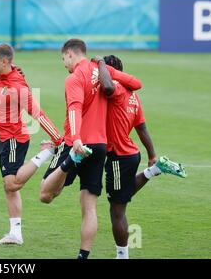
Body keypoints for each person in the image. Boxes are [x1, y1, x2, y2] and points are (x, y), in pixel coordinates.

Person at [39, 39, 143, 259]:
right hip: (99, 146)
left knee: (46, 194)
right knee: (89, 207)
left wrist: (76, 140)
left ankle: (69, 162)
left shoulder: (74, 77)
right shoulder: (102, 69)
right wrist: (106, 67)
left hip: (76, 144)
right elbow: (136, 83)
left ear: (69, 54)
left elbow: (75, 108)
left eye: (63, 59)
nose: (64, 64)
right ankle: (83, 256)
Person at [95, 54, 187, 259]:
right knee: (122, 196)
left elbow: (107, 87)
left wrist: (101, 64)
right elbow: (142, 128)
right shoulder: (133, 96)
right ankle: (155, 169)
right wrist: (152, 154)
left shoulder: (116, 89)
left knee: (116, 210)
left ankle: (122, 256)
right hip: (131, 154)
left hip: (118, 155)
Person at [0, 44, 63, 245]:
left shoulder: (18, 88)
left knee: (11, 183)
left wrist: (58, 139)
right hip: (4, 139)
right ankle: (15, 234)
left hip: (14, 138)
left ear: (4, 62)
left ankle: (47, 152)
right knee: (9, 189)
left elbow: (38, 114)